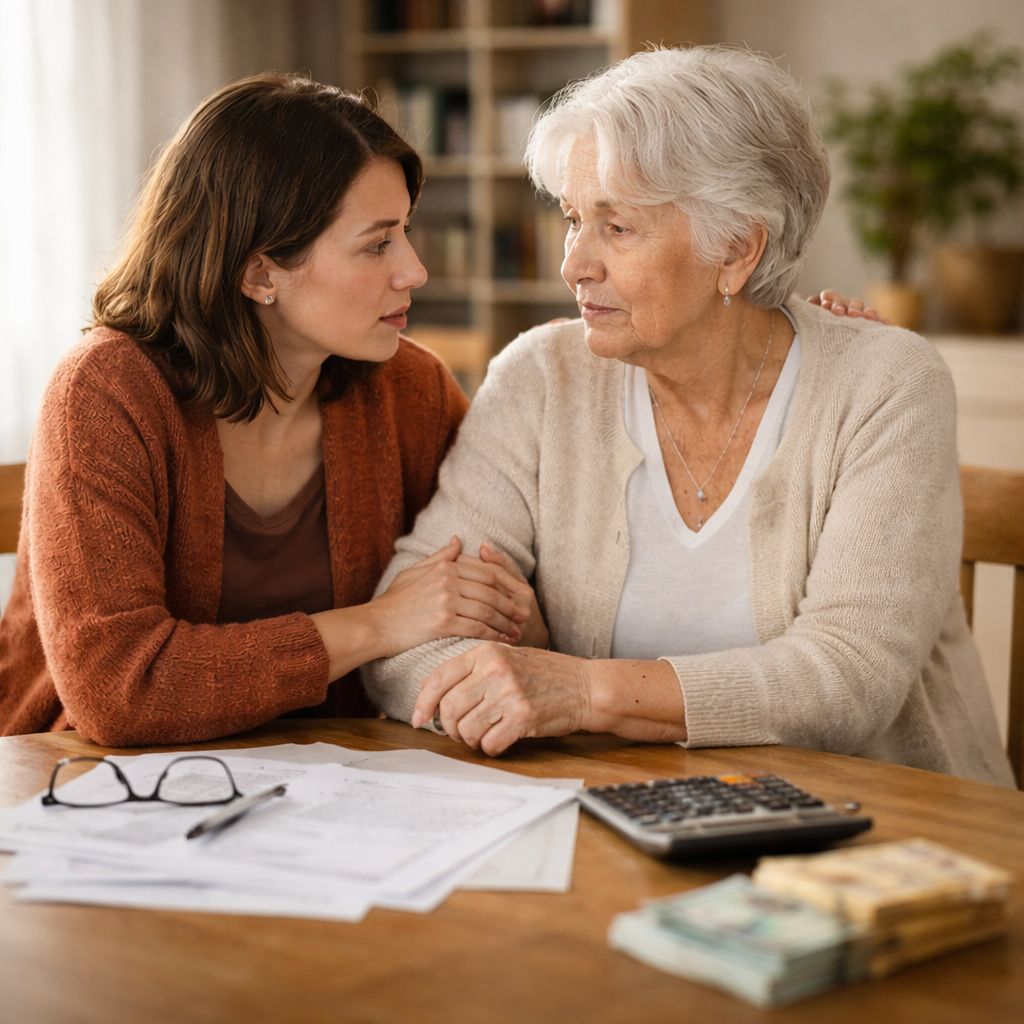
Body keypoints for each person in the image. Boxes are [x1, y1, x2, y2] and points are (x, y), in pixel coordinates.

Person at [363, 46, 1014, 787]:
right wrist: (505, 684)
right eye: (574, 220)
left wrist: (579, 690)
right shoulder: (540, 378)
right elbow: (404, 635)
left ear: (736, 249)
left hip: (883, 837)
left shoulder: (885, 384)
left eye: (617, 228)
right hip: (622, 816)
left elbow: (847, 677)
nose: (574, 263)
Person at [0, 73, 545, 746]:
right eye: (377, 244)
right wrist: (376, 624)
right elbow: (121, 689)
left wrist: (517, 612)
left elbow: (496, 599)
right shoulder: (104, 393)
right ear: (259, 273)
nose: (414, 270)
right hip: (91, 789)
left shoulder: (414, 392)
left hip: (337, 788)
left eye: (405, 232)